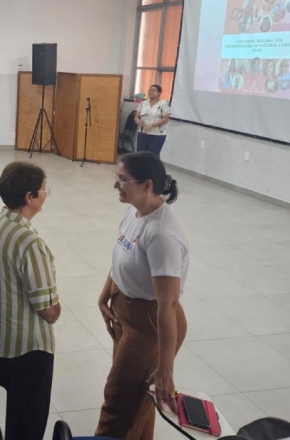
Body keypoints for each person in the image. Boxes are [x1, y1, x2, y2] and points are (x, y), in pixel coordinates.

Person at [96, 152, 188, 440]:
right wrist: (104, 296)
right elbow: (122, 258)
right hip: (125, 310)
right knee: (138, 405)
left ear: (147, 185)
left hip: (150, 324)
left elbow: (168, 304)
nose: (116, 185)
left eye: (122, 179)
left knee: (118, 408)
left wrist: (165, 369)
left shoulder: (161, 235)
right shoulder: (134, 211)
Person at [0, 161, 58, 440]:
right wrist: (57, 308)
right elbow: (48, 310)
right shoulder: (30, 242)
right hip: (27, 349)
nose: (46, 195)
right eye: (44, 190)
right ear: (29, 197)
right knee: (26, 422)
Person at [134, 85, 170, 156]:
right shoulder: (143, 103)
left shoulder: (163, 104)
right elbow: (136, 117)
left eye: (154, 90)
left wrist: (152, 125)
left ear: (159, 93)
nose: (151, 92)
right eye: (150, 90)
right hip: (143, 132)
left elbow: (166, 119)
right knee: (140, 155)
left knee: (153, 156)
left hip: (157, 134)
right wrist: (139, 122)